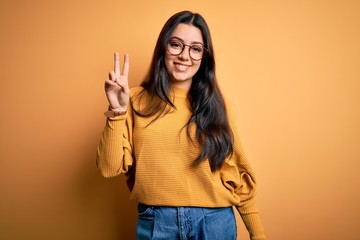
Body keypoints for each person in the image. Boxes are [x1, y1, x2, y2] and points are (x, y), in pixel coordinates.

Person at [97, 10, 266, 240]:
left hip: (214, 223)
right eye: (176, 45)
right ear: (163, 47)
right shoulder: (134, 100)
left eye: (196, 49)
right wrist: (117, 111)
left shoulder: (218, 105)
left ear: (204, 56)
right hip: (157, 223)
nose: (185, 56)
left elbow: (238, 174)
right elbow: (108, 168)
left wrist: (258, 234)